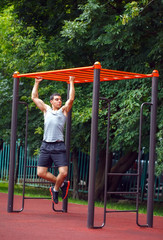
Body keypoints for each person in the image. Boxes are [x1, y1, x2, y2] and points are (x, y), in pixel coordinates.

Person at [31, 76, 75, 204]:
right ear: (51, 101)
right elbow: (34, 97)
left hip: (58, 146)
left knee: (64, 172)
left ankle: (55, 189)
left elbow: (71, 98)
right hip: (46, 146)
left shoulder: (64, 111)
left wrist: (71, 82)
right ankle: (61, 185)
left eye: (60, 99)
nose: (59, 101)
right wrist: (36, 82)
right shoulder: (46, 110)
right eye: (57, 99)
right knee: (41, 172)